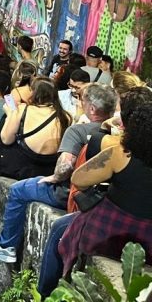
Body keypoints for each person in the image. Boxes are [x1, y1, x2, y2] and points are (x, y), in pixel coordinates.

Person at [0, 83, 117, 263]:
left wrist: (54, 178)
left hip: (69, 194)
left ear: (92, 109)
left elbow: (65, 165)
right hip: (103, 200)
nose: (80, 103)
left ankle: (6, 244)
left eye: (82, 100)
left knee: (18, 190)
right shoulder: (117, 134)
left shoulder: (78, 131)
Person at [57, 102, 152, 276]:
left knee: (59, 227)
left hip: (107, 233)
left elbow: (78, 179)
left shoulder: (119, 154)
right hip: (148, 244)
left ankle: (46, 290)